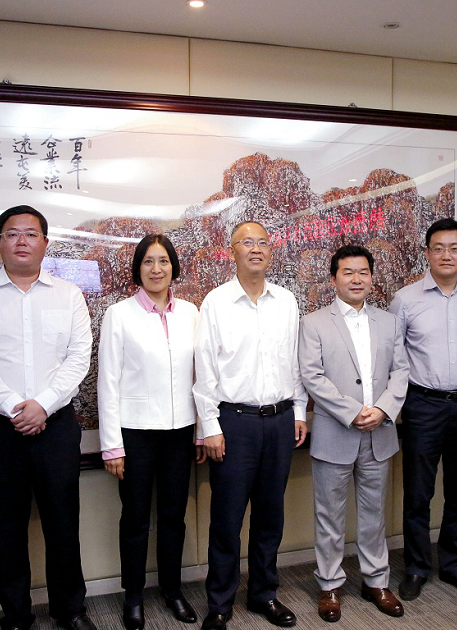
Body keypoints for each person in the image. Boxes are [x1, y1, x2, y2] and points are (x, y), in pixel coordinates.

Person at [0, 206, 95, 630]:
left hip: (56, 428)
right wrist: (16, 406)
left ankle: (70, 610)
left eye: (31, 234)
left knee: (63, 523)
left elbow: (78, 358)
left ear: (45, 243)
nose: (21, 241)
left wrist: (43, 405)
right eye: (12, 233)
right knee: (6, 527)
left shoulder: (68, 295)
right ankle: (15, 614)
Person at [193, 221, 308, 630]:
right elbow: (205, 367)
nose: (255, 249)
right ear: (232, 251)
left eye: (262, 242)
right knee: (227, 519)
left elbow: (295, 361)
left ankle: (264, 594)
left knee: (270, 516)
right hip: (234, 423)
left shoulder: (286, 301)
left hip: (279, 421)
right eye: (246, 242)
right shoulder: (216, 302)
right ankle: (220, 603)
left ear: (270, 251)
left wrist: (299, 411)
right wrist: (210, 425)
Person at [388, 217, 457, 601]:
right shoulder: (405, 300)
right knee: (418, 492)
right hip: (423, 405)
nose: (446, 255)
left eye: (454, 248)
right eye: (438, 248)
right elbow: (395, 356)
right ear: (427, 253)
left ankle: (454, 565)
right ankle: (417, 568)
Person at [298, 244, 408, 623]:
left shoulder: (389, 322)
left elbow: (401, 371)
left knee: (374, 516)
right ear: (334, 279)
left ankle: (376, 581)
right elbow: (312, 376)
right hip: (335, 433)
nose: (356, 279)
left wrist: (383, 409)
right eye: (348, 272)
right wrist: (353, 412)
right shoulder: (314, 323)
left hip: (380, 433)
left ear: (372, 278)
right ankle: (329, 585)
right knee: (329, 516)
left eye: (363, 272)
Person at [98, 234, 202, 630]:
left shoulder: (190, 312)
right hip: (136, 433)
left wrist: (200, 430)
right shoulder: (119, 314)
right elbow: (108, 382)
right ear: (138, 269)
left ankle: (173, 590)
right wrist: (112, 446)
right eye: (148, 262)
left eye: (163, 261)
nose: (156, 269)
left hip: (179, 432)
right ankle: (134, 596)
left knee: (174, 517)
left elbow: (200, 375)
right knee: (136, 518)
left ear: (173, 267)